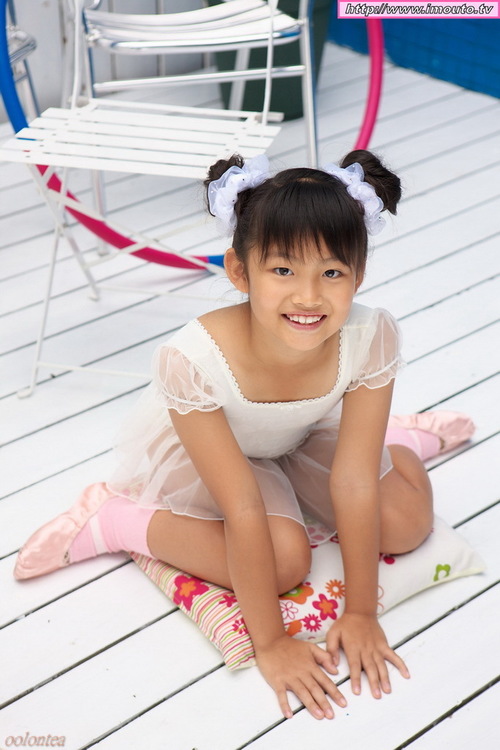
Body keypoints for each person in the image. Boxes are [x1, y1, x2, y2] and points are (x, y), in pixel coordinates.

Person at [14, 150, 474, 721]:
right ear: (240, 271)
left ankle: (396, 437)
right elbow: (243, 507)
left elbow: (354, 480)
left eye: (332, 273)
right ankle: (115, 521)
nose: (309, 297)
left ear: (358, 274)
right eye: (283, 271)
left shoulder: (368, 334)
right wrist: (272, 642)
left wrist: (360, 613)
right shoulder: (195, 360)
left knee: (406, 524)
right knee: (284, 564)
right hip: (219, 451)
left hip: (304, 430)